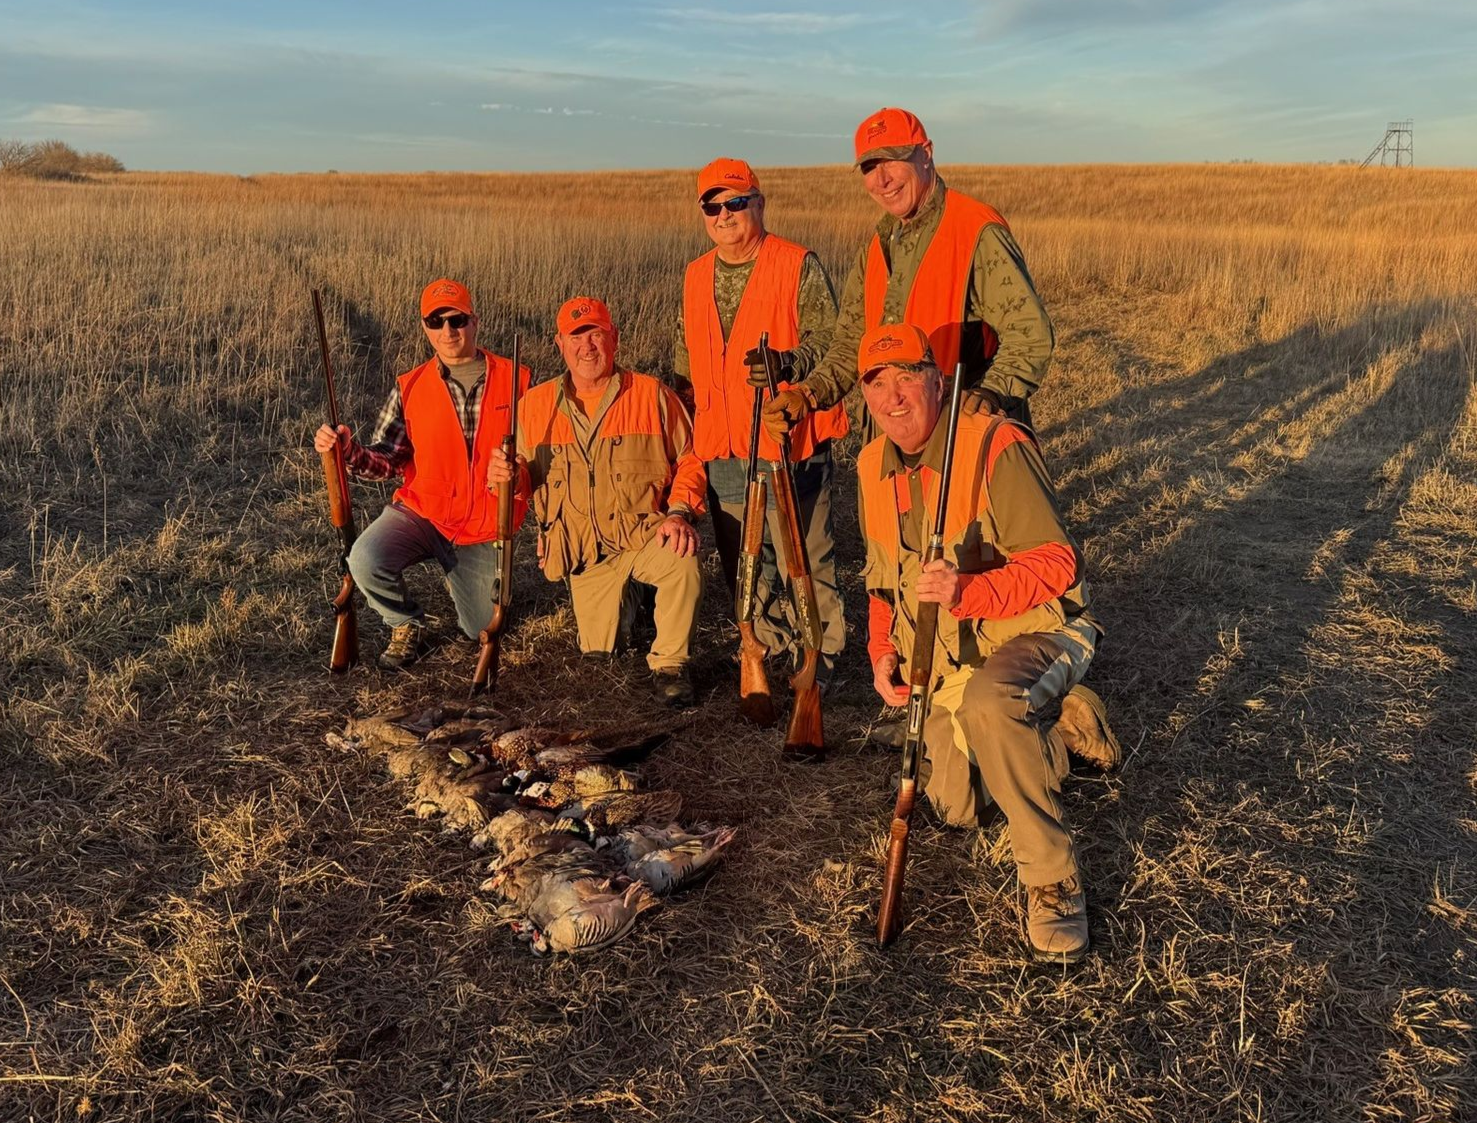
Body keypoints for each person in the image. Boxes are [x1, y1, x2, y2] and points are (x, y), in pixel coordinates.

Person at [855, 323, 1118, 963]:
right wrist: (882, 652)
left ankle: (1053, 882)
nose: (893, 397)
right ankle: (1059, 727)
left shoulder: (995, 444)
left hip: (1039, 631)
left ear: (938, 381)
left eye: (907, 376)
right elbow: (882, 584)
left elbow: (1058, 563)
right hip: (952, 656)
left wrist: (969, 592)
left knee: (992, 702)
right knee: (958, 806)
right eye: (876, 382)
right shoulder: (869, 466)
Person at [760, 106, 1054, 442]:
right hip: (892, 439)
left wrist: (988, 396)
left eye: (892, 160)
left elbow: (1030, 334)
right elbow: (850, 344)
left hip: (961, 437)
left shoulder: (975, 230)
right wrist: (808, 394)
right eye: (870, 167)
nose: (881, 180)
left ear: (926, 154)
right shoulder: (876, 248)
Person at [673, 157, 847, 685]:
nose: (724, 214)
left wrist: (788, 362)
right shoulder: (696, 273)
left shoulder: (797, 263)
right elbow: (688, 358)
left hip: (787, 436)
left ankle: (820, 656)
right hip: (722, 440)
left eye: (735, 202)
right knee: (746, 559)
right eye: (713, 206)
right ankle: (765, 647)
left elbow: (834, 342)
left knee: (806, 553)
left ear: (759, 203)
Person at [487, 297, 706, 707]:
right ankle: (634, 599)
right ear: (560, 345)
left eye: (596, 334)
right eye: (576, 337)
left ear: (614, 339)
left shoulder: (651, 395)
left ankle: (671, 664)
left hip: (643, 536)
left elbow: (691, 459)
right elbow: (522, 482)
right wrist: (506, 477)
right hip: (586, 552)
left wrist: (678, 513)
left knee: (683, 560)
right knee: (599, 654)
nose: (587, 346)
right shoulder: (534, 407)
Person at [313, 278, 529, 670]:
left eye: (457, 319)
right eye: (436, 321)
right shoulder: (410, 385)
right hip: (423, 513)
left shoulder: (519, 381)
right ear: (425, 328)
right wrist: (346, 451)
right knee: (363, 558)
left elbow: (538, 461)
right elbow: (388, 460)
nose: (448, 331)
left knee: (481, 628)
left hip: (483, 526)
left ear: (474, 321)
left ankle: (462, 579)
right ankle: (404, 622)